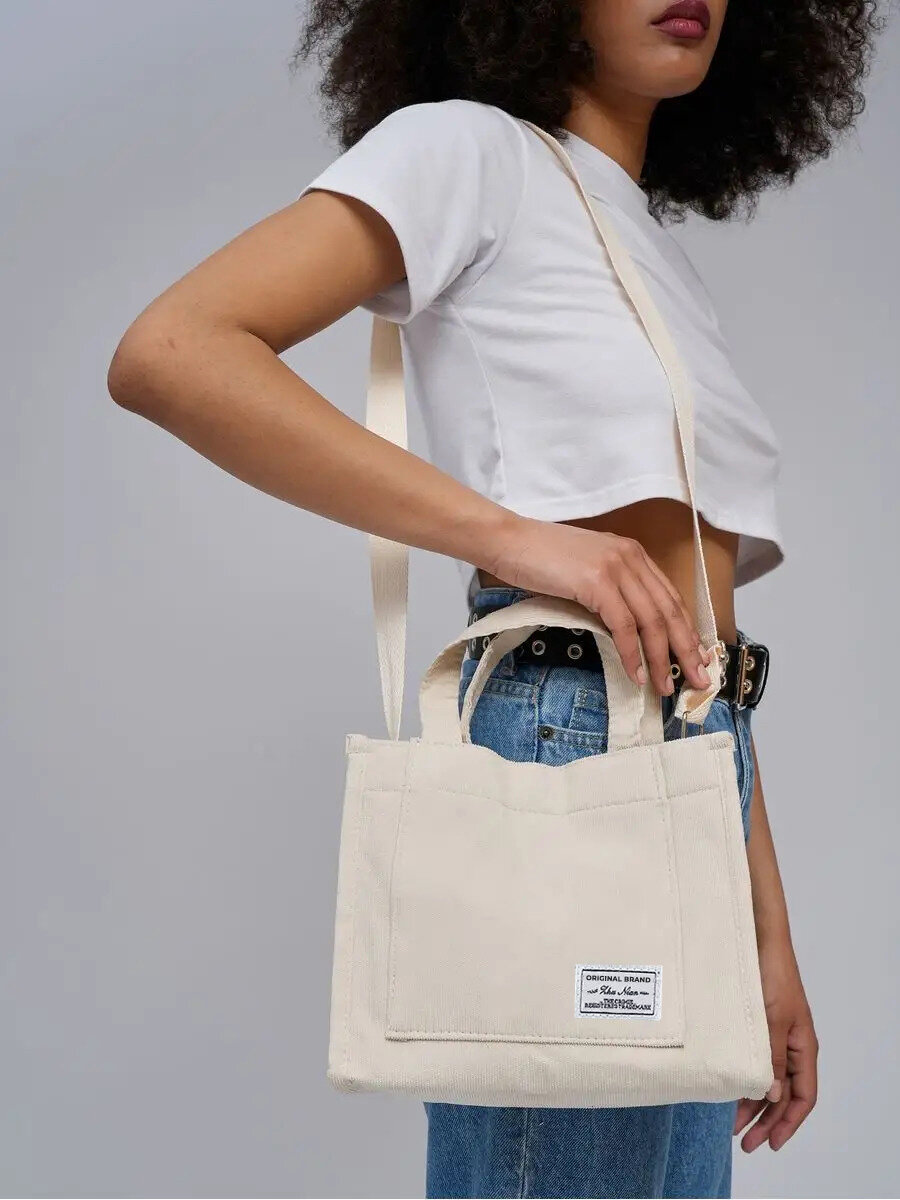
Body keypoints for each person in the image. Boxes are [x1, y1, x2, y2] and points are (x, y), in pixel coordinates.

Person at [106, 1, 881, 1195]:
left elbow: (701, 648)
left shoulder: (651, 253)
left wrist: (765, 940)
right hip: (569, 740)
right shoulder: (467, 150)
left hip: (692, 771)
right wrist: (521, 540)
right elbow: (172, 350)